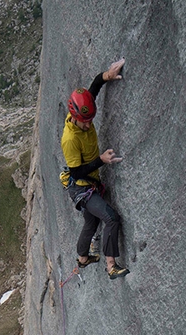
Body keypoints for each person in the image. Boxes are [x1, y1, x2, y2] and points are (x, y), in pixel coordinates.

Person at [60, 58, 130, 280]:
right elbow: (77, 173)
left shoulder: (82, 113)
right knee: (110, 217)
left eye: (91, 120)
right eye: (85, 122)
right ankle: (111, 266)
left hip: (89, 182)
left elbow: (92, 90)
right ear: (75, 118)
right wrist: (101, 160)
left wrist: (106, 76)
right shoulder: (70, 139)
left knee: (91, 222)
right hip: (81, 187)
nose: (89, 125)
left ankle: (83, 258)